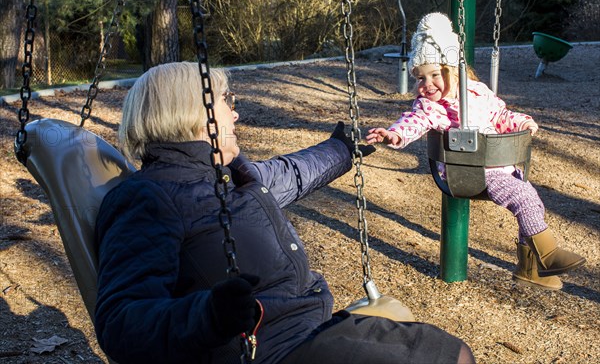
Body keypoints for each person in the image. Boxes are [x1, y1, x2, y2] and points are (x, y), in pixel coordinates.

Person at [94, 61, 475, 364]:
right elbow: (121, 322)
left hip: (308, 327)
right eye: (227, 100)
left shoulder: (230, 175)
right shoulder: (150, 197)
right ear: (192, 112)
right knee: (450, 358)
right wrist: (207, 316)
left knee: (449, 350)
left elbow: (290, 174)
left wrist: (342, 150)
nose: (235, 114)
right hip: (270, 350)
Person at [366, 12, 585, 291]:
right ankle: (548, 253)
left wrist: (522, 122)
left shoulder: (478, 92)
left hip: (499, 166)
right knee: (523, 197)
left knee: (532, 203)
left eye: (435, 74)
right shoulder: (430, 107)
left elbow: (501, 115)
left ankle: (529, 269)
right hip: (469, 171)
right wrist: (393, 134)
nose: (426, 84)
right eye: (419, 78)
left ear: (454, 70)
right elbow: (413, 122)